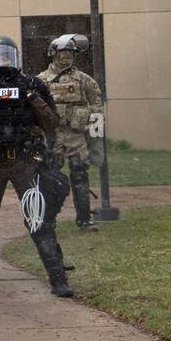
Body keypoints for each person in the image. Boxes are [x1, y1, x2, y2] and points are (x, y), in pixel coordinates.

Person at [0, 35, 74, 298]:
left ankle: (58, 279)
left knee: (38, 220)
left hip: (24, 162)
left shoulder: (32, 85)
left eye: (5, 55)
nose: (1, 60)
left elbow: (51, 123)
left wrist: (31, 98)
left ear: (14, 57)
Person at [37, 33, 104, 230]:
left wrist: (95, 134)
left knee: (80, 176)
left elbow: (97, 107)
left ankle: (84, 219)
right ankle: (48, 220)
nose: (66, 56)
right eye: (63, 52)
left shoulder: (84, 80)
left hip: (76, 137)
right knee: (50, 180)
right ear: (54, 53)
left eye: (70, 52)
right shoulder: (41, 80)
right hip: (52, 138)